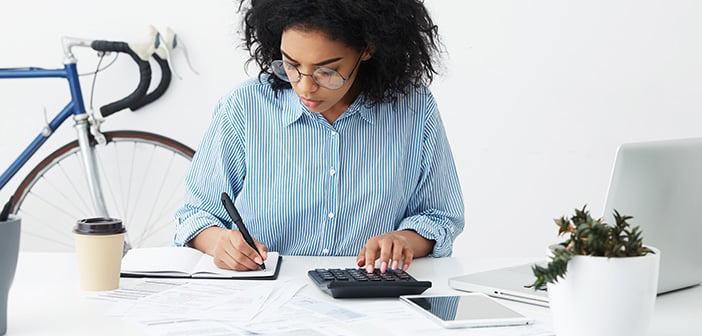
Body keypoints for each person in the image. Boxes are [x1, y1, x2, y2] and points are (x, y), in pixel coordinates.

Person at [174, 0, 464, 273]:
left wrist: (403, 241)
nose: (305, 88)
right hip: (264, 303)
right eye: (291, 65)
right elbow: (196, 216)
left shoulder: (413, 109)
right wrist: (219, 243)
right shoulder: (245, 108)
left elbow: (439, 216)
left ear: (368, 48)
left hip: (372, 305)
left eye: (327, 71)